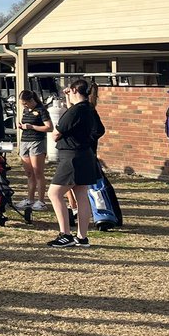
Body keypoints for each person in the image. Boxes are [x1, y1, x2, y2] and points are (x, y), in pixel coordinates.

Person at [46, 79, 105, 249]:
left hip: (72, 157)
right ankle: (82, 237)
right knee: (81, 195)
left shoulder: (76, 111)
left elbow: (56, 133)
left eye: (69, 92)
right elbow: (99, 130)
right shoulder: (89, 109)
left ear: (74, 90)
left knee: (54, 193)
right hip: (86, 154)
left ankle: (65, 235)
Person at [16, 90, 53, 212]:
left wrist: (32, 127)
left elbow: (49, 127)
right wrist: (22, 126)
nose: (24, 106)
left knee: (38, 172)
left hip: (37, 142)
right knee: (29, 173)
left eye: (25, 103)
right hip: (25, 141)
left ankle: (41, 201)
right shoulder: (26, 110)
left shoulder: (41, 110)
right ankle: (30, 199)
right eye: (23, 104)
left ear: (32, 100)